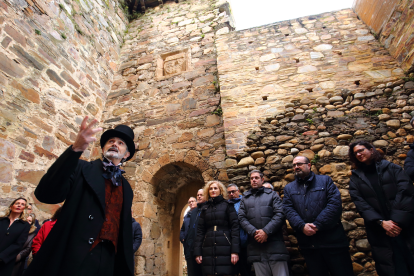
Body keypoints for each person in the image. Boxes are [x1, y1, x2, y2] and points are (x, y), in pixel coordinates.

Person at [25, 117, 136, 276]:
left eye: (120, 143)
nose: (114, 144)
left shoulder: (127, 188)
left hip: (109, 261)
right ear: (103, 148)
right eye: (111, 141)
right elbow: (46, 194)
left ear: (126, 154)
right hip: (74, 256)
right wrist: (75, 149)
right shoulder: (81, 168)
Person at [349, 140, 414, 276]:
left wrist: (395, 222)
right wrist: (381, 222)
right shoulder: (356, 178)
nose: (359, 154)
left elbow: (406, 192)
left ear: (371, 150)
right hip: (380, 230)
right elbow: (360, 203)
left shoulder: (392, 168)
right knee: (393, 267)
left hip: (404, 226)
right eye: (356, 153)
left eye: (361, 150)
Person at [283, 156, 353, 276]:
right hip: (309, 245)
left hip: (333, 242)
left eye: (299, 164)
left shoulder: (325, 181)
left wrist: (317, 225)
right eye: (294, 165)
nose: (296, 167)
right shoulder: (289, 188)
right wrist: (302, 226)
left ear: (309, 165)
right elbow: (288, 209)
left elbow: (334, 204)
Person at [239, 170, 289, 276]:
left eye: (256, 178)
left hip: (275, 245)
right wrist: (254, 232)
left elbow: (280, 214)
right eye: (251, 178)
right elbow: (242, 218)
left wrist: (266, 232)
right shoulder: (245, 198)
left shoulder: (272, 195)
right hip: (256, 246)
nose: (253, 180)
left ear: (262, 180)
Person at [194, 181, 240, 276]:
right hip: (208, 246)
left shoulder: (228, 206)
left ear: (220, 190)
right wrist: (197, 252)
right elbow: (200, 231)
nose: (213, 190)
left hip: (225, 245)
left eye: (215, 188)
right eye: (211, 189)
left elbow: (235, 228)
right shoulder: (205, 208)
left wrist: (235, 251)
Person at [0, 198, 30, 276]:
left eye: (22, 204)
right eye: (17, 203)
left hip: (5, 261)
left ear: (24, 209)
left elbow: (18, 244)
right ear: (11, 206)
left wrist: (2, 256)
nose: (19, 205)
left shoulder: (25, 225)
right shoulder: (1, 220)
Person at [227, 184, 251, 276]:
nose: (232, 194)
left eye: (233, 191)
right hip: (231, 244)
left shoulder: (244, 202)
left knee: (246, 269)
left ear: (238, 191)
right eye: (229, 192)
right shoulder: (226, 205)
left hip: (245, 242)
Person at [186, 189, 205, 276]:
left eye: (201, 194)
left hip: (204, 248)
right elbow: (190, 230)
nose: (199, 196)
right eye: (198, 195)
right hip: (192, 248)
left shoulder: (207, 209)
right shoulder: (193, 212)